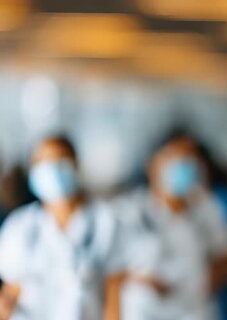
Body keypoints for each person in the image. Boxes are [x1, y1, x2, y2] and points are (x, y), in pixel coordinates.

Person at [0, 136, 152, 320]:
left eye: (60, 160)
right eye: (43, 162)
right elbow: (10, 294)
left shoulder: (106, 223)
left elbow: (113, 293)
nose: (53, 169)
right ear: (33, 171)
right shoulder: (21, 227)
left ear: (76, 164)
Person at [114, 132, 227, 320]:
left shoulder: (207, 207)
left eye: (189, 159)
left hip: (193, 310)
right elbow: (113, 272)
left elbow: (225, 256)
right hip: (144, 310)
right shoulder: (131, 211)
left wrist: (198, 287)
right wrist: (143, 282)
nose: (184, 164)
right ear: (154, 164)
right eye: (175, 157)